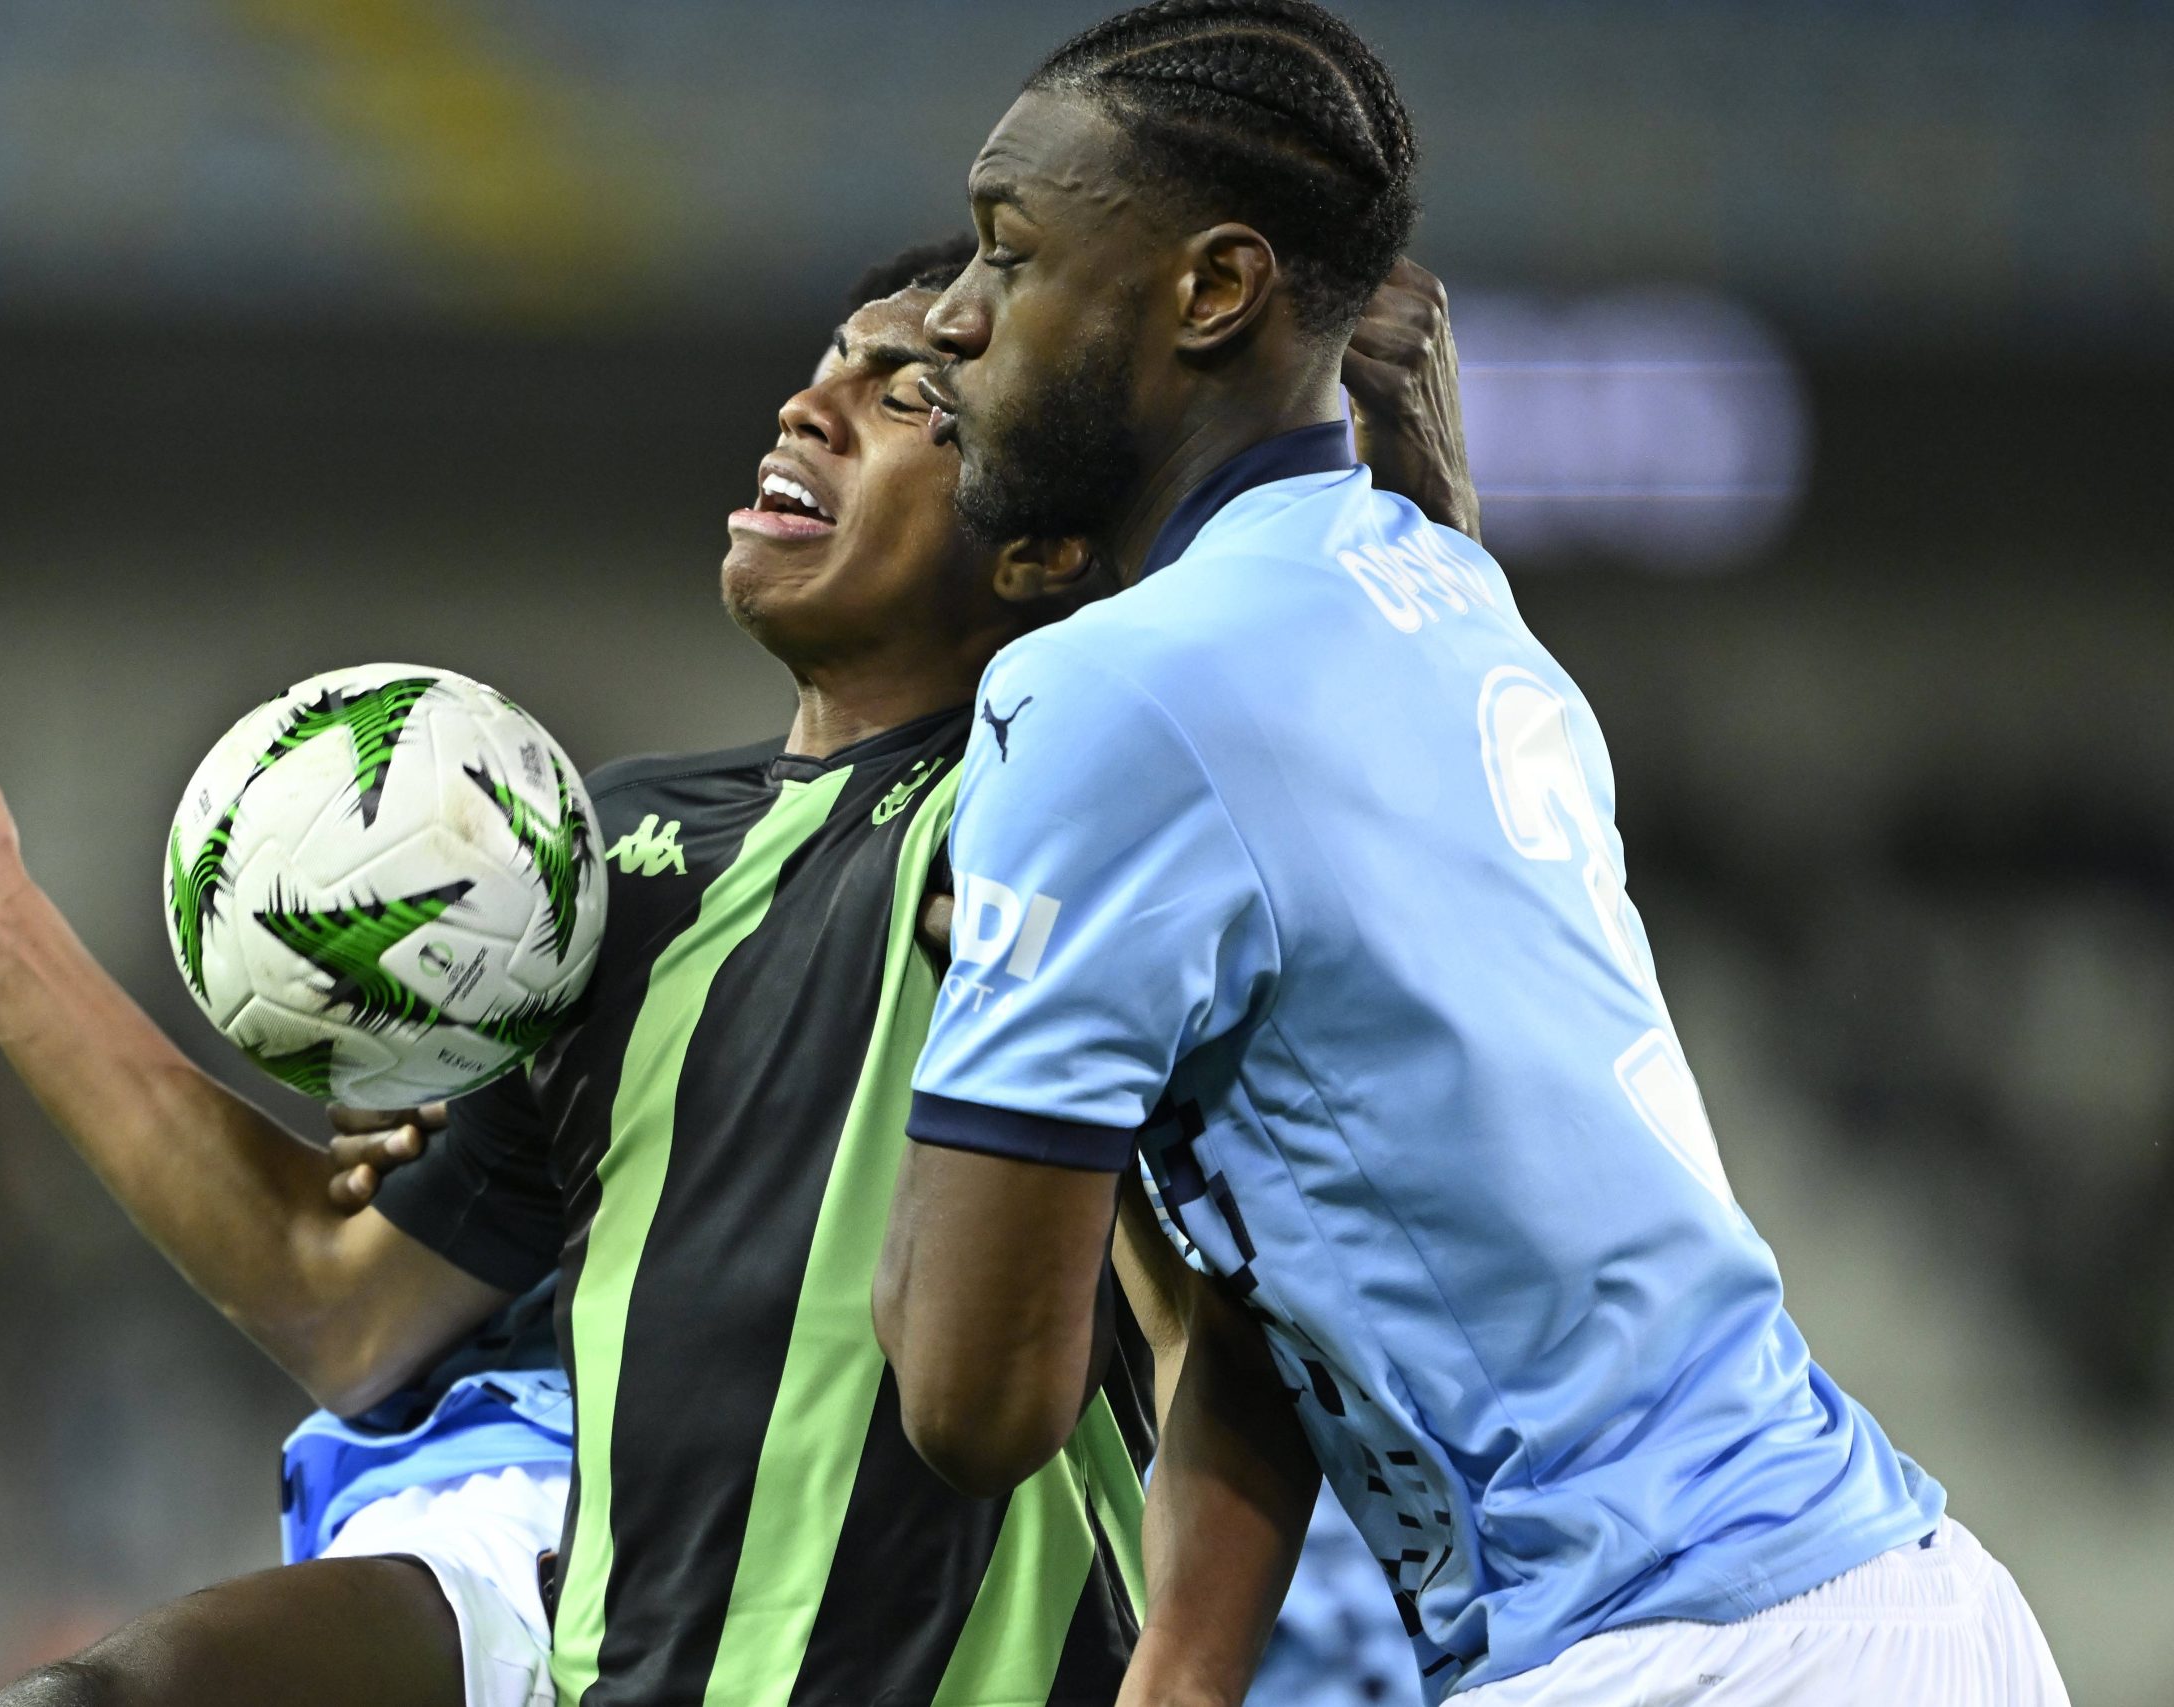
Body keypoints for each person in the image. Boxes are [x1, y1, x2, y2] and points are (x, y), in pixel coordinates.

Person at [0, 236, 1457, 1707]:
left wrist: (1397, 468)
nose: (813, 405)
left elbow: (1222, 1301)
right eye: (828, 365)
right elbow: (339, 1295)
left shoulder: (1059, 817)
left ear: (1043, 551)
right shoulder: (616, 854)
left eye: (909, 402)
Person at [868, 5, 2069, 1706]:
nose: (948, 319)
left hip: (1674, 1645)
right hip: (1898, 1596)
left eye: (1008, 253)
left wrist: (955, 997)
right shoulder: (1452, 596)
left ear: (1215, 290)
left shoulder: (1105, 690)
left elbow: (970, 1404)